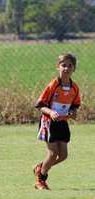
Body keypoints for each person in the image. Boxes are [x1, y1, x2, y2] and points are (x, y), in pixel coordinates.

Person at [33, 53, 81, 190]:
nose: (66, 68)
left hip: (62, 123)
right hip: (49, 122)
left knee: (63, 155)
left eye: (70, 65)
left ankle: (40, 168)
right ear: (58, 67)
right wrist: (51, 112)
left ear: (74, 68)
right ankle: (40, 179)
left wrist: (72, 112)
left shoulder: (74, 88)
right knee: (53, 154)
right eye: (63, 65)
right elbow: (40, 105)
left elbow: (75, 105)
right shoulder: (53, 85)